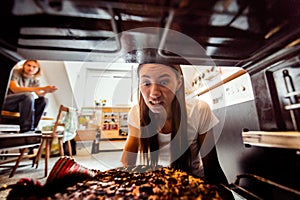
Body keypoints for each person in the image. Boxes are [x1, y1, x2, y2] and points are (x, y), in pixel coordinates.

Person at [121, 62, 228, 184]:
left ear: (178, 82)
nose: (154, 94)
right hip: (153, 187)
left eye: (164, 82)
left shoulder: (199, 110)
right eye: (146, 83)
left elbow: (212, 168)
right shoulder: (136, 113)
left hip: (193, 186)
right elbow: (127, 162)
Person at [2, 60, 57, 133]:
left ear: (37, 70)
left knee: (44, 100)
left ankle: (33, 127)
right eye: (29, 65)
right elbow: (15, 89)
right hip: (7, 102)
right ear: (24, 66)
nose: (31, 68)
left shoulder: (35, 80)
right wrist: (42, 88)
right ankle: (26, 129)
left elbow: (40, 94)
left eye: (34, 67)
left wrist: (47, 91)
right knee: (28, 95)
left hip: (21, 105)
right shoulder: (15, 72)